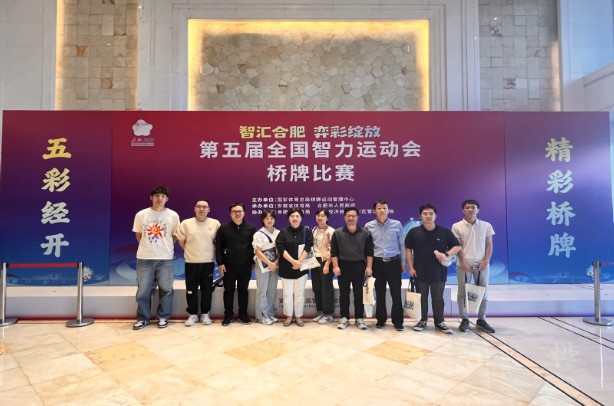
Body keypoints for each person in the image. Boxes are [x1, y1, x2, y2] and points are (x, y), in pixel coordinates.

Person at [404, 203, 461, 334]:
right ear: (420, 216)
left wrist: (446, 255)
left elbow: (457, 246)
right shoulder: (414, 232)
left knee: (438, 298)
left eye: (431, 213)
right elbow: (408, 250)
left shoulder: (444, 232)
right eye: (425, 214)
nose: (428, 216)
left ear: (436, 215)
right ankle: (422, 320)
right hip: (419, 271)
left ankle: (439, 322)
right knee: (421, 298)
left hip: (438, 272)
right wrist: (411, 267)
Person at [132, 186, 180, 330]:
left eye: (163, 196)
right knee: (143, 290)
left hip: (165, 258)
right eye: (157, 196)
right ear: (151, 197)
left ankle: (163, 316)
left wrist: (166, 247)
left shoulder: (173, 215)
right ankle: (143, 318)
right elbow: (138, 234)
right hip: (144, 258)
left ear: (167, 199)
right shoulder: (141, 215)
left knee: (166, 289)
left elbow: (175, 235)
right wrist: (148, 247)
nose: (160, 199)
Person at [452, 199, 496, 333]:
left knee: (483, 292)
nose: (470, 209)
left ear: (478, 210)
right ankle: (464, 319)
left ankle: (481, 320)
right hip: (463, 265)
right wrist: (463, 262)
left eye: (473, 207)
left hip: (482, 264)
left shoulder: (486, 225)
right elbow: (458, 246)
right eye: (467, 207)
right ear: (463, 210)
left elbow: (489, 244)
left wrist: (486, 261)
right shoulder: (456, 226)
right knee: (462, 293)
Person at [176, 199, 221, 327]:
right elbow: (181, 241)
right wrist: (191, 252)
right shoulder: (186, 223)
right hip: (191, 262)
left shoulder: (215, 223)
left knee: (207, 290)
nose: (201, 209)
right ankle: (192, 314)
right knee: (191, 289)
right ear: (194, 208)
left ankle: (205, 313)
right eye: (199, 207)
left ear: (209, 209)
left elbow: (218, 242)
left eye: (204, 207)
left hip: (208, 262)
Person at [364, 199, 406, 331]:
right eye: (379, 208)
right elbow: (367, 248)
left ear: (388, 210)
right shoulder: (369, 226)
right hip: (377, 263)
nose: (382, 210)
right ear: (374, 210)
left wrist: (403, 262)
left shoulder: (396, 224)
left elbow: (402, 244)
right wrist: (368, 266)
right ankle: (381, 320)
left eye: (384, 208)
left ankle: (398, 321)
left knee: (396, 293)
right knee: (380, 293)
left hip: (394, 262)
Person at [331, 206, 374, 330]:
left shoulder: (365, 233)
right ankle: (344, 318)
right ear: (344, 217)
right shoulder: (338, 233)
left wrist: (369, 267)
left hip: (359, 266)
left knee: (359, 294)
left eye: (353, 216)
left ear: (357, 217)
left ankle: (359, 318)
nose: (351, 218)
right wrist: (335, 266)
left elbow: (369, 252)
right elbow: (334, 252)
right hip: (343, 266)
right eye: (348, 216)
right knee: (344, 293)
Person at [215, 203, 256, 326]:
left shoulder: (251, 227)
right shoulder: (224, 228)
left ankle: (243, 315)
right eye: (234, 211)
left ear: (244, 213)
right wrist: (220, 263)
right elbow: (218, 247)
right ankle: (228, 315)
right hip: (228, 266)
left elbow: (254, 247)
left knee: (243, 290)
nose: (237, 213)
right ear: (230, 213)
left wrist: (253, 261)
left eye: (240, 211)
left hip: (245, 265)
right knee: (228, 290)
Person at [275, 208, 313, 327]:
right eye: (292, 216)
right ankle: (289, 316)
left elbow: (308, 247)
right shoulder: (283, 232)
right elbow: (281, 248)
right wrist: (293, 262)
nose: (295, 218)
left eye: (297, 216)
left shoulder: (307, 231)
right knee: (287, 294)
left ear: (301, 218)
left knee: (299, 294)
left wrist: (299, 262)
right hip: (286, 268)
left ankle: (298, 316)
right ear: (289, 218)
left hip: (302, 268)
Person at [252, 210, 280, 325]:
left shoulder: (278, 233)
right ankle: (261, 316)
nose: (269, 220)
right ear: (262, 220)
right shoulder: (258, 234)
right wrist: (269, 263)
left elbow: (281, 250)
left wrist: (276, 263)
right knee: (262, 290)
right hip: (262, 265)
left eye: (272, 218)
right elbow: (257, 251)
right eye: (267, 218)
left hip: (275, 266)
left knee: (272, 290)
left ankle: (270, 314)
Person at [311, 208, 336, 324]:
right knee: (317, 287)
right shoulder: (314, 230)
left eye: (322, 215)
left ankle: (328, 314)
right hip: (314, 261)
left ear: (327, 217)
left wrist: (327, 264)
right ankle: (320, 312)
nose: (319, 218)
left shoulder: (331, 231)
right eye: (318, 215)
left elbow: (332, 249)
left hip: (325, 261)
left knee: (326, 288)